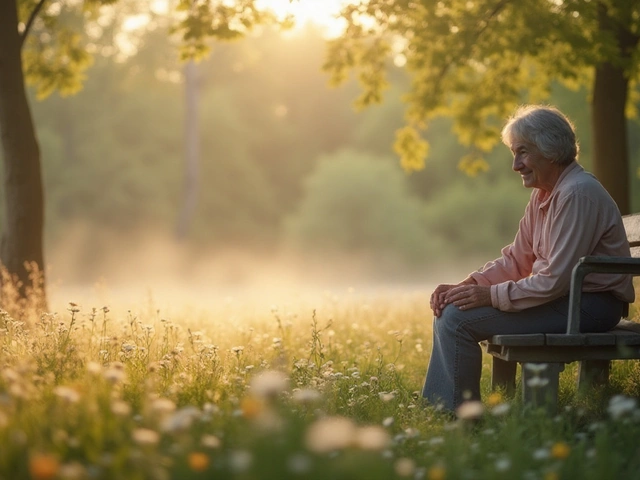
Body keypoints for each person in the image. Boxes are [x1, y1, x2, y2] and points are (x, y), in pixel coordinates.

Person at [422, 104, 635, 412]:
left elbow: (554, 281)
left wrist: (489, 295)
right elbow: (516, 260)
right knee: (453, 309)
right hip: (568, 300)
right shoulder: (545, 195)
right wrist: (468, 284)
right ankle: (447, 413)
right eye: (514, 153)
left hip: (590, 306)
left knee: (456, 320)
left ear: (550, 150)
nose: (515, 165)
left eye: (522, 152)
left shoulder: (577, 194)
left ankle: (454, 418)